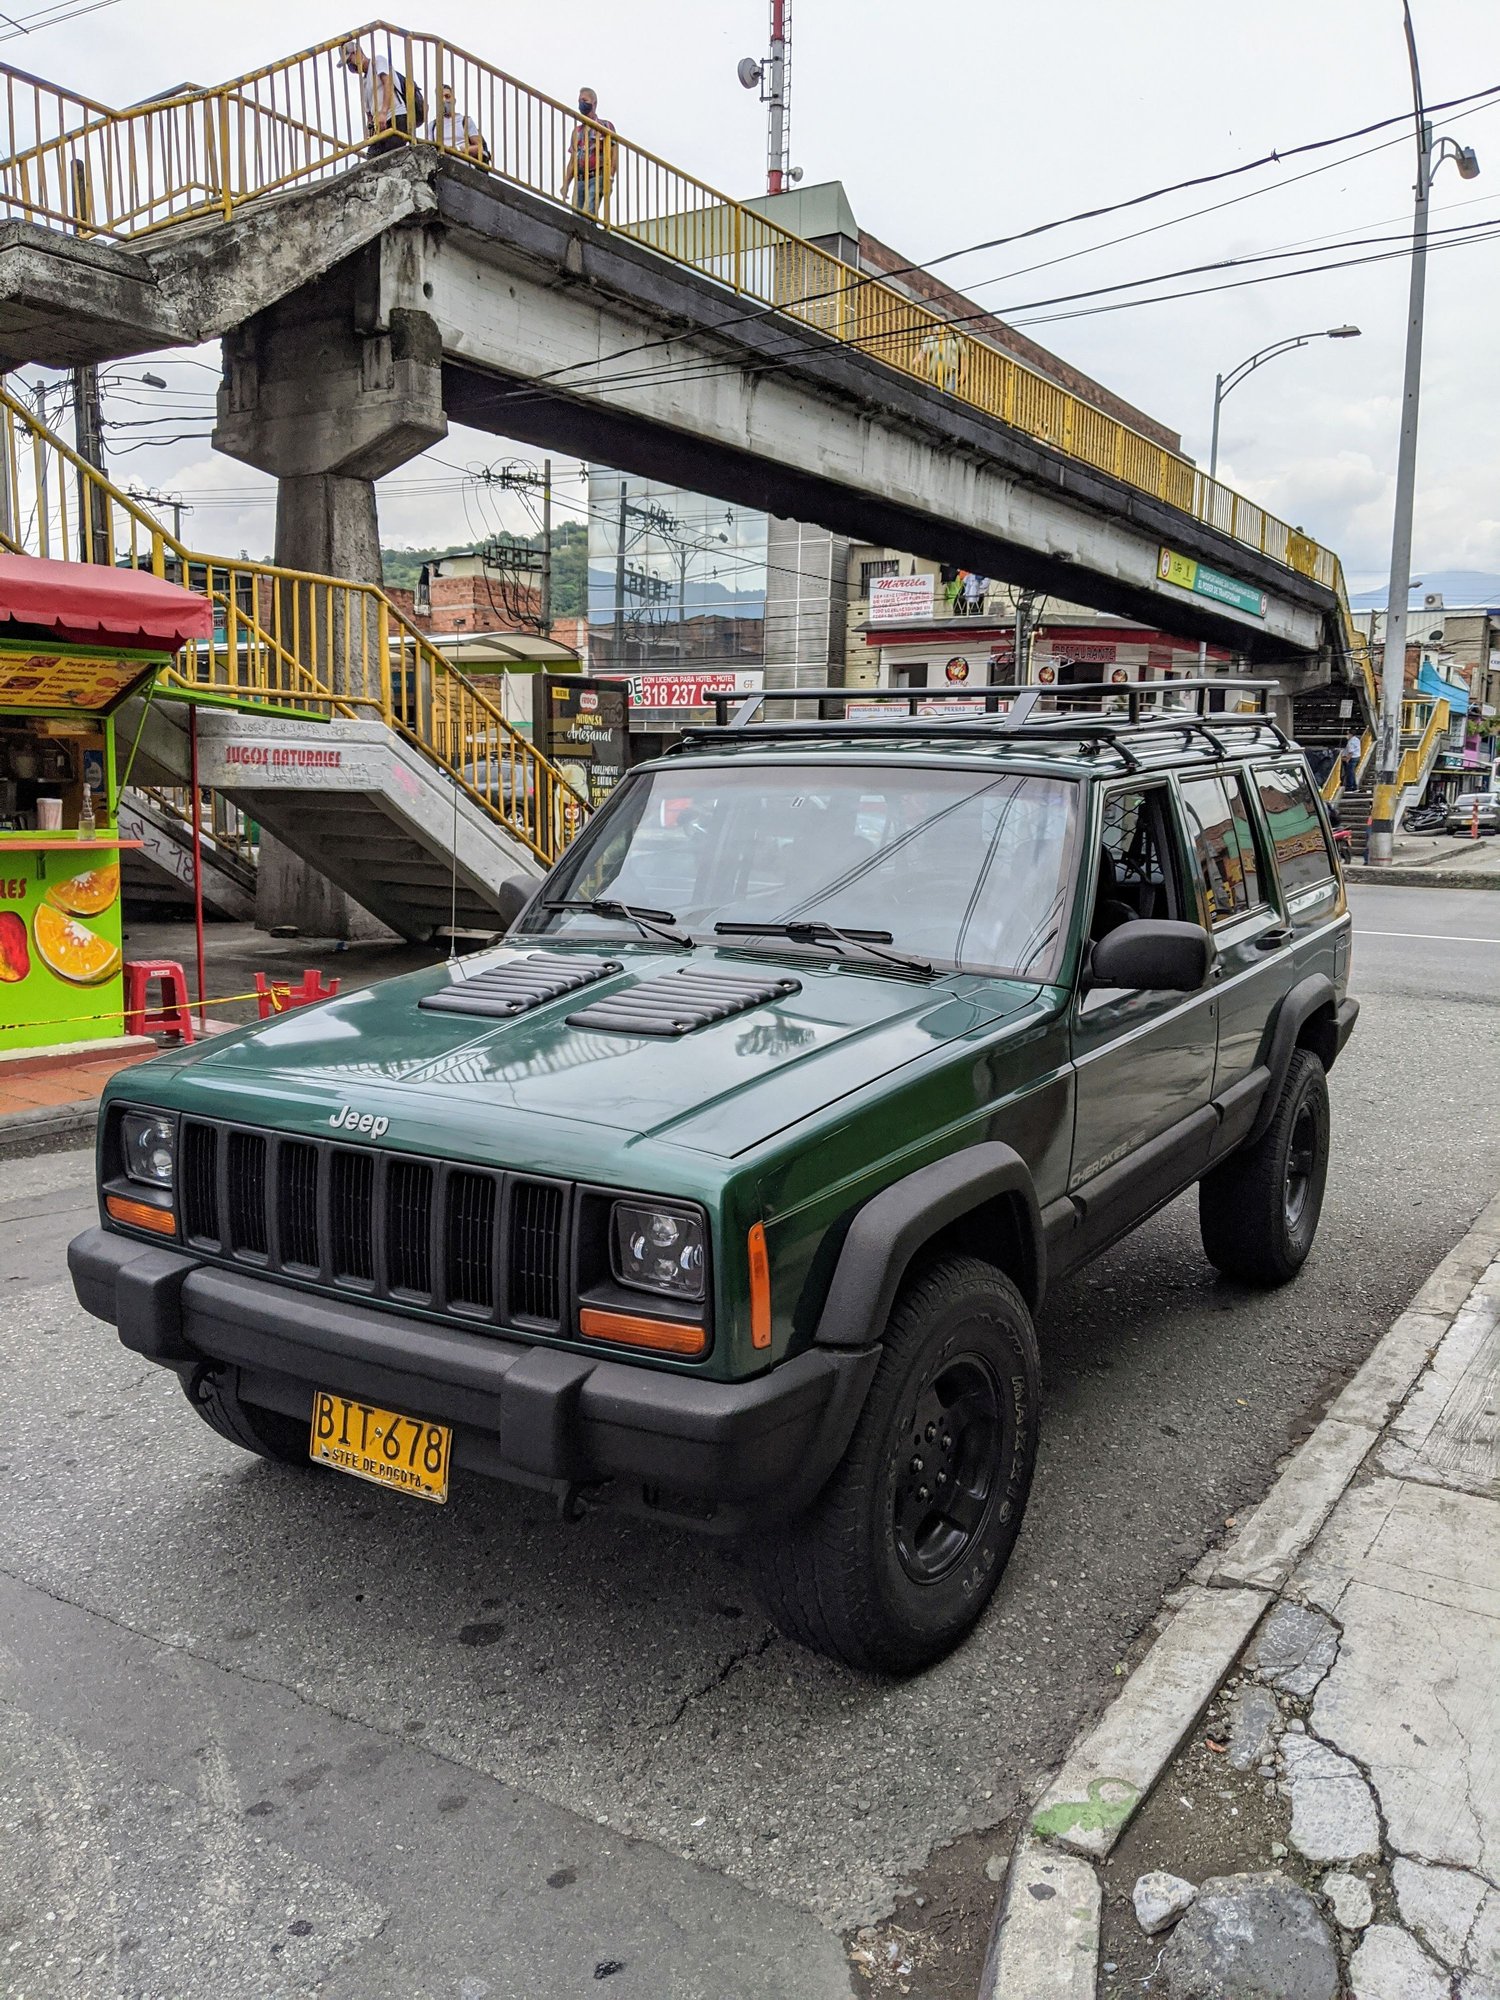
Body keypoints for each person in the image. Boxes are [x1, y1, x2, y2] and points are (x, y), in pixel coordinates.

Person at [342, 39, 424, 159]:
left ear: (358, 52)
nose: (351, 66)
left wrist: (384, 112)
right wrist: (370, 129)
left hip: (396, 116)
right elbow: (369, 113)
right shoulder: (364, 83)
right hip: (380, 125)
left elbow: (388, 83)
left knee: (390, 155)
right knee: (372, 157)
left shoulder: (377, 61)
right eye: (348, 64)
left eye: (350, 60)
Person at [562, 87, 616, 216]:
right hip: (580, 178)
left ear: (594, 103)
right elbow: (573, 161)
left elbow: (613, 154)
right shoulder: (577, 132)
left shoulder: (605, 126)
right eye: (580, 101)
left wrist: (610, 177)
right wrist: (566, 185)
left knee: (590, 211)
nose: (581, 104)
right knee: (576, 214)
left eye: (584, 100)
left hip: (597, 176)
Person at [428, 81, 487, 163]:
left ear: (454, 100)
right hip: (441, 165)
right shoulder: (433, 125)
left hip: (463, 164)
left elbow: (479, 148)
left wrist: (457, 149)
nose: (444, 100)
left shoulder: (465, 121)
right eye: (440, 98)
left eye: (447, 96)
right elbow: (429, 149)